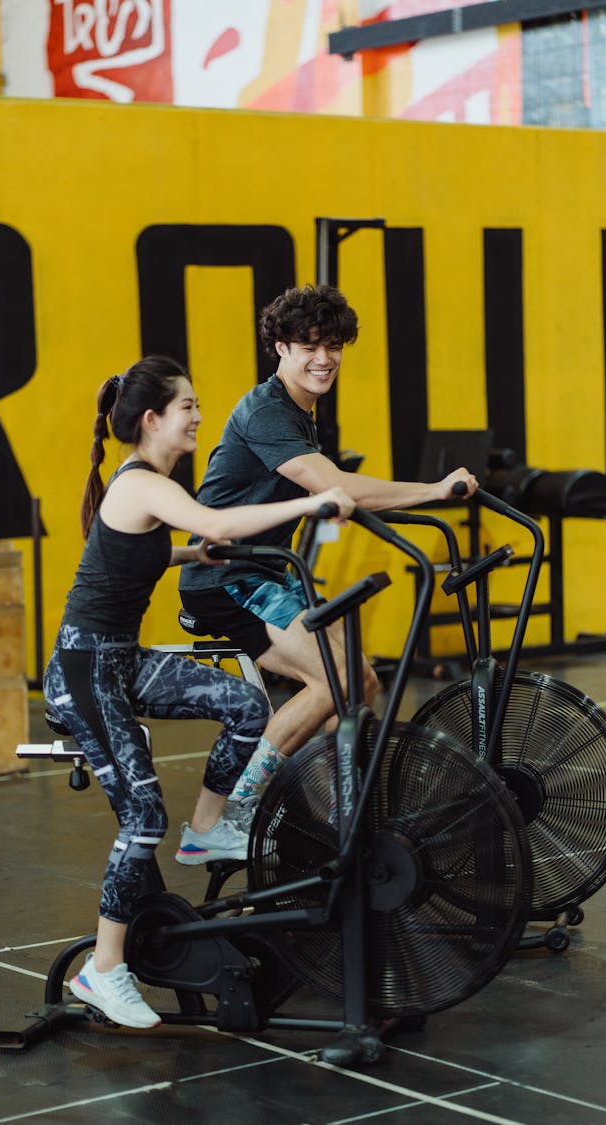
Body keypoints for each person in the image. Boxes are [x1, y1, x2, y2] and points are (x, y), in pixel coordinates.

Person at [43, 354, 354, 1030]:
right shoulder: (141, 483)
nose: (198, 417)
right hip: (83, 671)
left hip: (120, 661)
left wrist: (193, 558)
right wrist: (310, 499)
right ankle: (103, 968)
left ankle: (208, 831)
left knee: (246, 706)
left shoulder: (148, 487)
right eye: (188, 407)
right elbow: (212, 521)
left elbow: (174, 542)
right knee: (142, 818)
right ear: (153, 418)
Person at [179, 284, 478, 822]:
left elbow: (335, 492)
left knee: (361, 682)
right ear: (282, 349)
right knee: (335, 683)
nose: (323, 359)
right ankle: (227, 817)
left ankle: (326, 815)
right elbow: (335, 489)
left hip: (267, 574)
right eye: (309, 346)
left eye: (333, 346)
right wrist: (434, 491)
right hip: (226, 580)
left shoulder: (299, 411)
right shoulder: (267, 412)